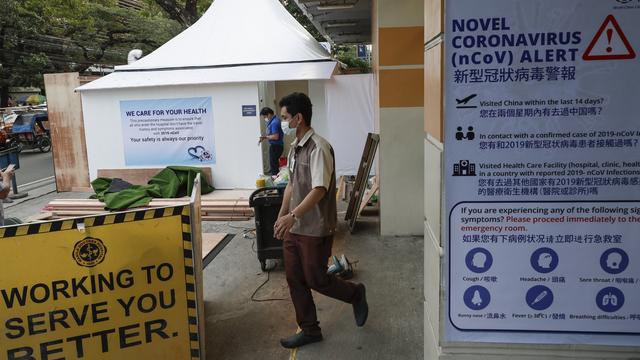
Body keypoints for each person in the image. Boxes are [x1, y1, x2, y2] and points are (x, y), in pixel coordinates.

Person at [273, 92, 368, 349]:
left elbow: (320, 189)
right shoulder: (295, 148)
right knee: (294, 277)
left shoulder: (319, 148)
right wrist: (283, 214)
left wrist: (293, 216)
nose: (282, 122)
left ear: (298, 118)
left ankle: (355, 294)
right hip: (295, 225)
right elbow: (292, 184)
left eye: (284, 118)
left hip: (314, 227)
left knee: (316, 278)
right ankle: (310, 329)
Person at [259, 107, 284, 176]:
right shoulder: (275, 120)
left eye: (265, 116)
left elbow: (276, 136)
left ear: (269, 114)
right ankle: (276, 179)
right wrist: (265, 137)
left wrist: (266, 137)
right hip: (277, 146)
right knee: (275, 164)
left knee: (274, 166)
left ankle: (275, 182)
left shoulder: (274, 123)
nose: (265, 118)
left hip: (276, 146)